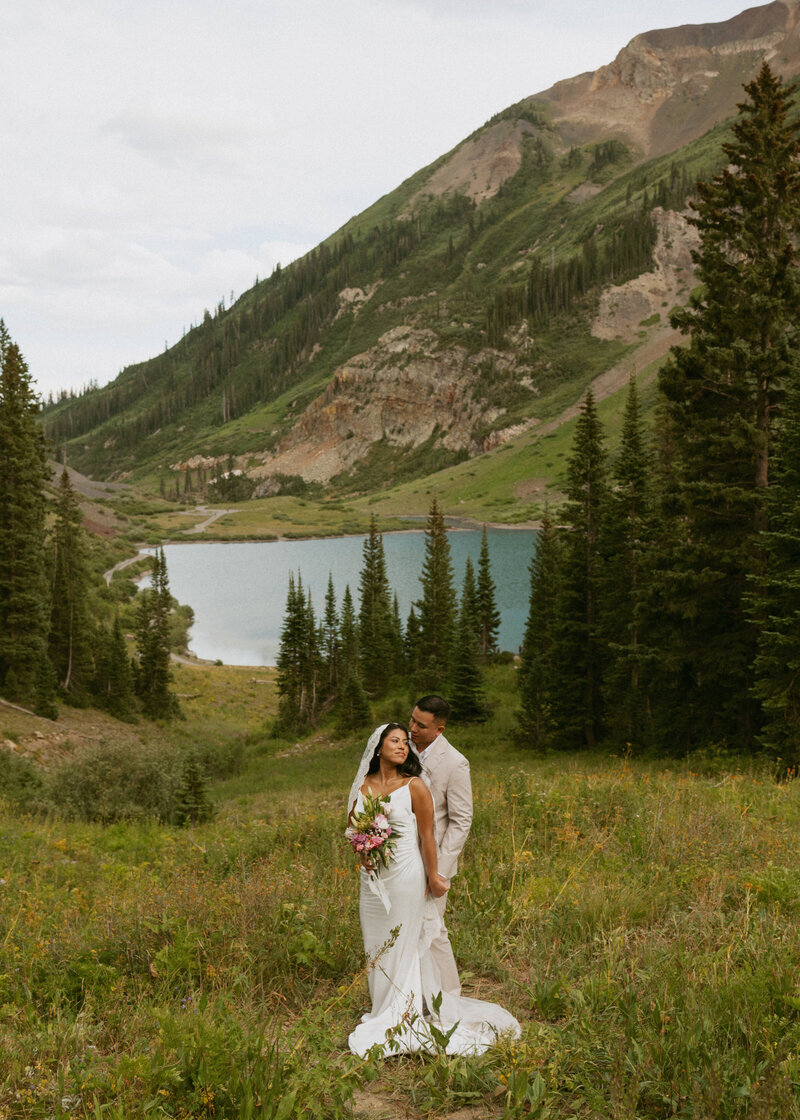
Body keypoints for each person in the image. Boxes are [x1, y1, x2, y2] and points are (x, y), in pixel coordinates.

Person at [346, 722, 520, 1057]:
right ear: (377, 747)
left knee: (403, 944)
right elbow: (353, 827)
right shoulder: (365, 785)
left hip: (407, 876)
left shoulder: (414, 787)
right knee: (376, 944)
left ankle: (401, 1010)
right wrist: (363, 849)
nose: (402, 746)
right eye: (394, 740)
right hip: (373, 881)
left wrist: (435, 877)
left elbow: (427, 837)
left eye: (405, 742)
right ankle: (382, 1004)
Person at [408, 695, 471, 996]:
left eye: (421, 725)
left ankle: (449, 998)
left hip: (433, 864)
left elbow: (461, 821)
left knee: (433, 931)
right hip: (403, 859)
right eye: (412, 720)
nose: (413, 728)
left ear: (440, 730)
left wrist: (439, 872)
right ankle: (413, 996)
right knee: (406, 931)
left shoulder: (455, 763)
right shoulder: (400, 748)